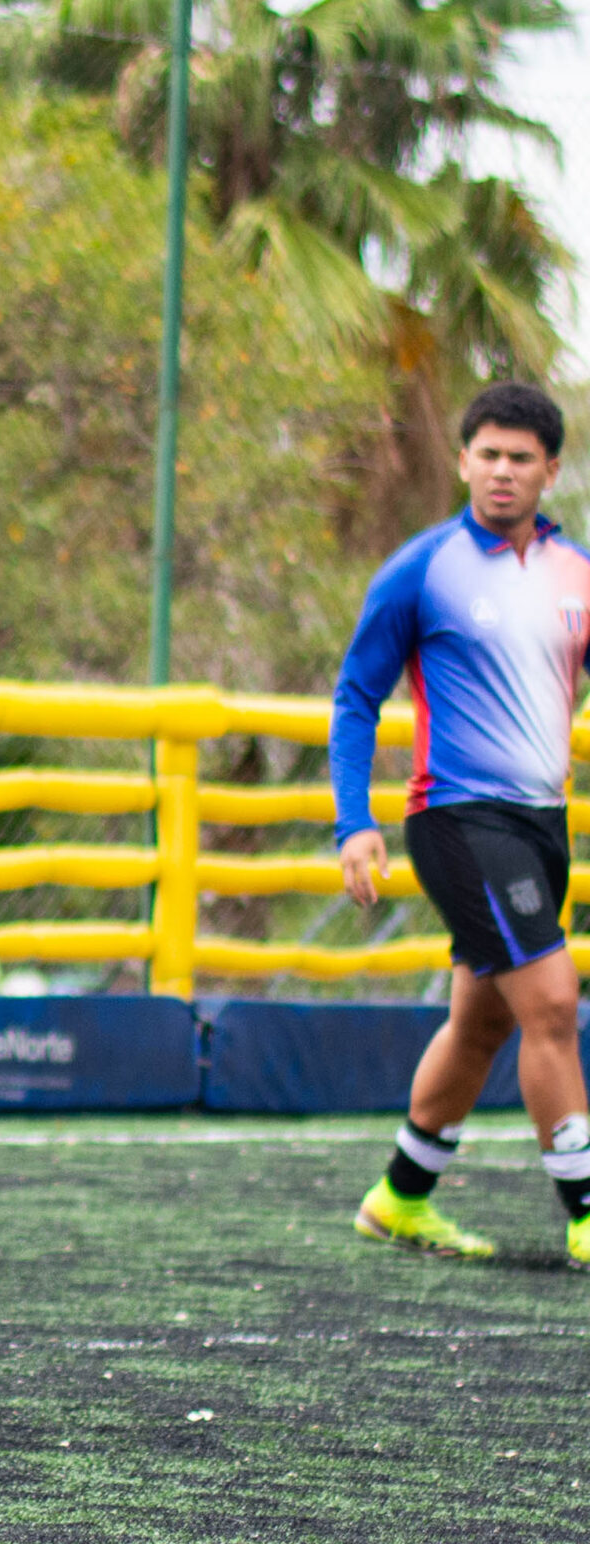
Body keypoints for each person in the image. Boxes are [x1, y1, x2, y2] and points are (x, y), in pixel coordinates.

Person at [334, 380, 590, 1270]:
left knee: (483, 1023)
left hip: (543, 826)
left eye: (521, 457)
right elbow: (355, 697)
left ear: (550, 469)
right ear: (462, 461)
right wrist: (353, 822)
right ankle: (586, 1209)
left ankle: (398, 1199)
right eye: (488, 454)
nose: (502, 471)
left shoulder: (576, 572)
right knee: (551, 1001)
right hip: (457, 819)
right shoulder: (422, 568)